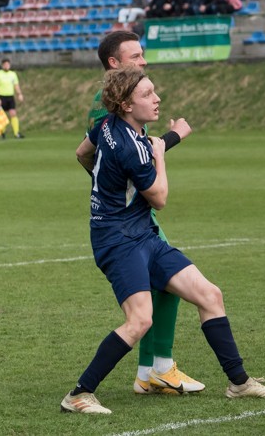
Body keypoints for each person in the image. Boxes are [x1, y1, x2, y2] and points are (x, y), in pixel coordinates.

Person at [65, 67, 265, 415]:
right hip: (118, 240)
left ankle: (239, 383)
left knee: (210, 295)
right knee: (140, 320)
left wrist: (107, 183)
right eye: (147, 94)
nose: (157, 98)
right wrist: (161, 158)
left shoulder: (105, 125)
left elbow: (82, 153)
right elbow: (160, 197)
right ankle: (79, 394)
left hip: (141, 234)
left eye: (154, 91)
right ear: (126, 104)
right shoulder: (133, 148)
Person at [85, 31, 201, 396]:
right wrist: (113, 191)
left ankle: (153, 369)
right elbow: (121, 156)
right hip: (126, 223)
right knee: (164, 285)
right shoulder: (107, 107)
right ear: (114, 63)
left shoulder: (126, 96)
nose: (143, 60)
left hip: (132, 215)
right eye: (135, 56)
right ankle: (156, 368)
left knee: (166, 284)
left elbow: (126, 155)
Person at [0, 57, 23, 139]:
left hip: (10, 97)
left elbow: (16, 85)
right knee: (2, 115)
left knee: (13, 113)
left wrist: (19, 94)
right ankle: (2, 132)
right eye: (5, 65)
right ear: (2, 65)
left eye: (8, 64)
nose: (6, 66)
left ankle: (16, 133)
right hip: (1, 97)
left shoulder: (13, 74)